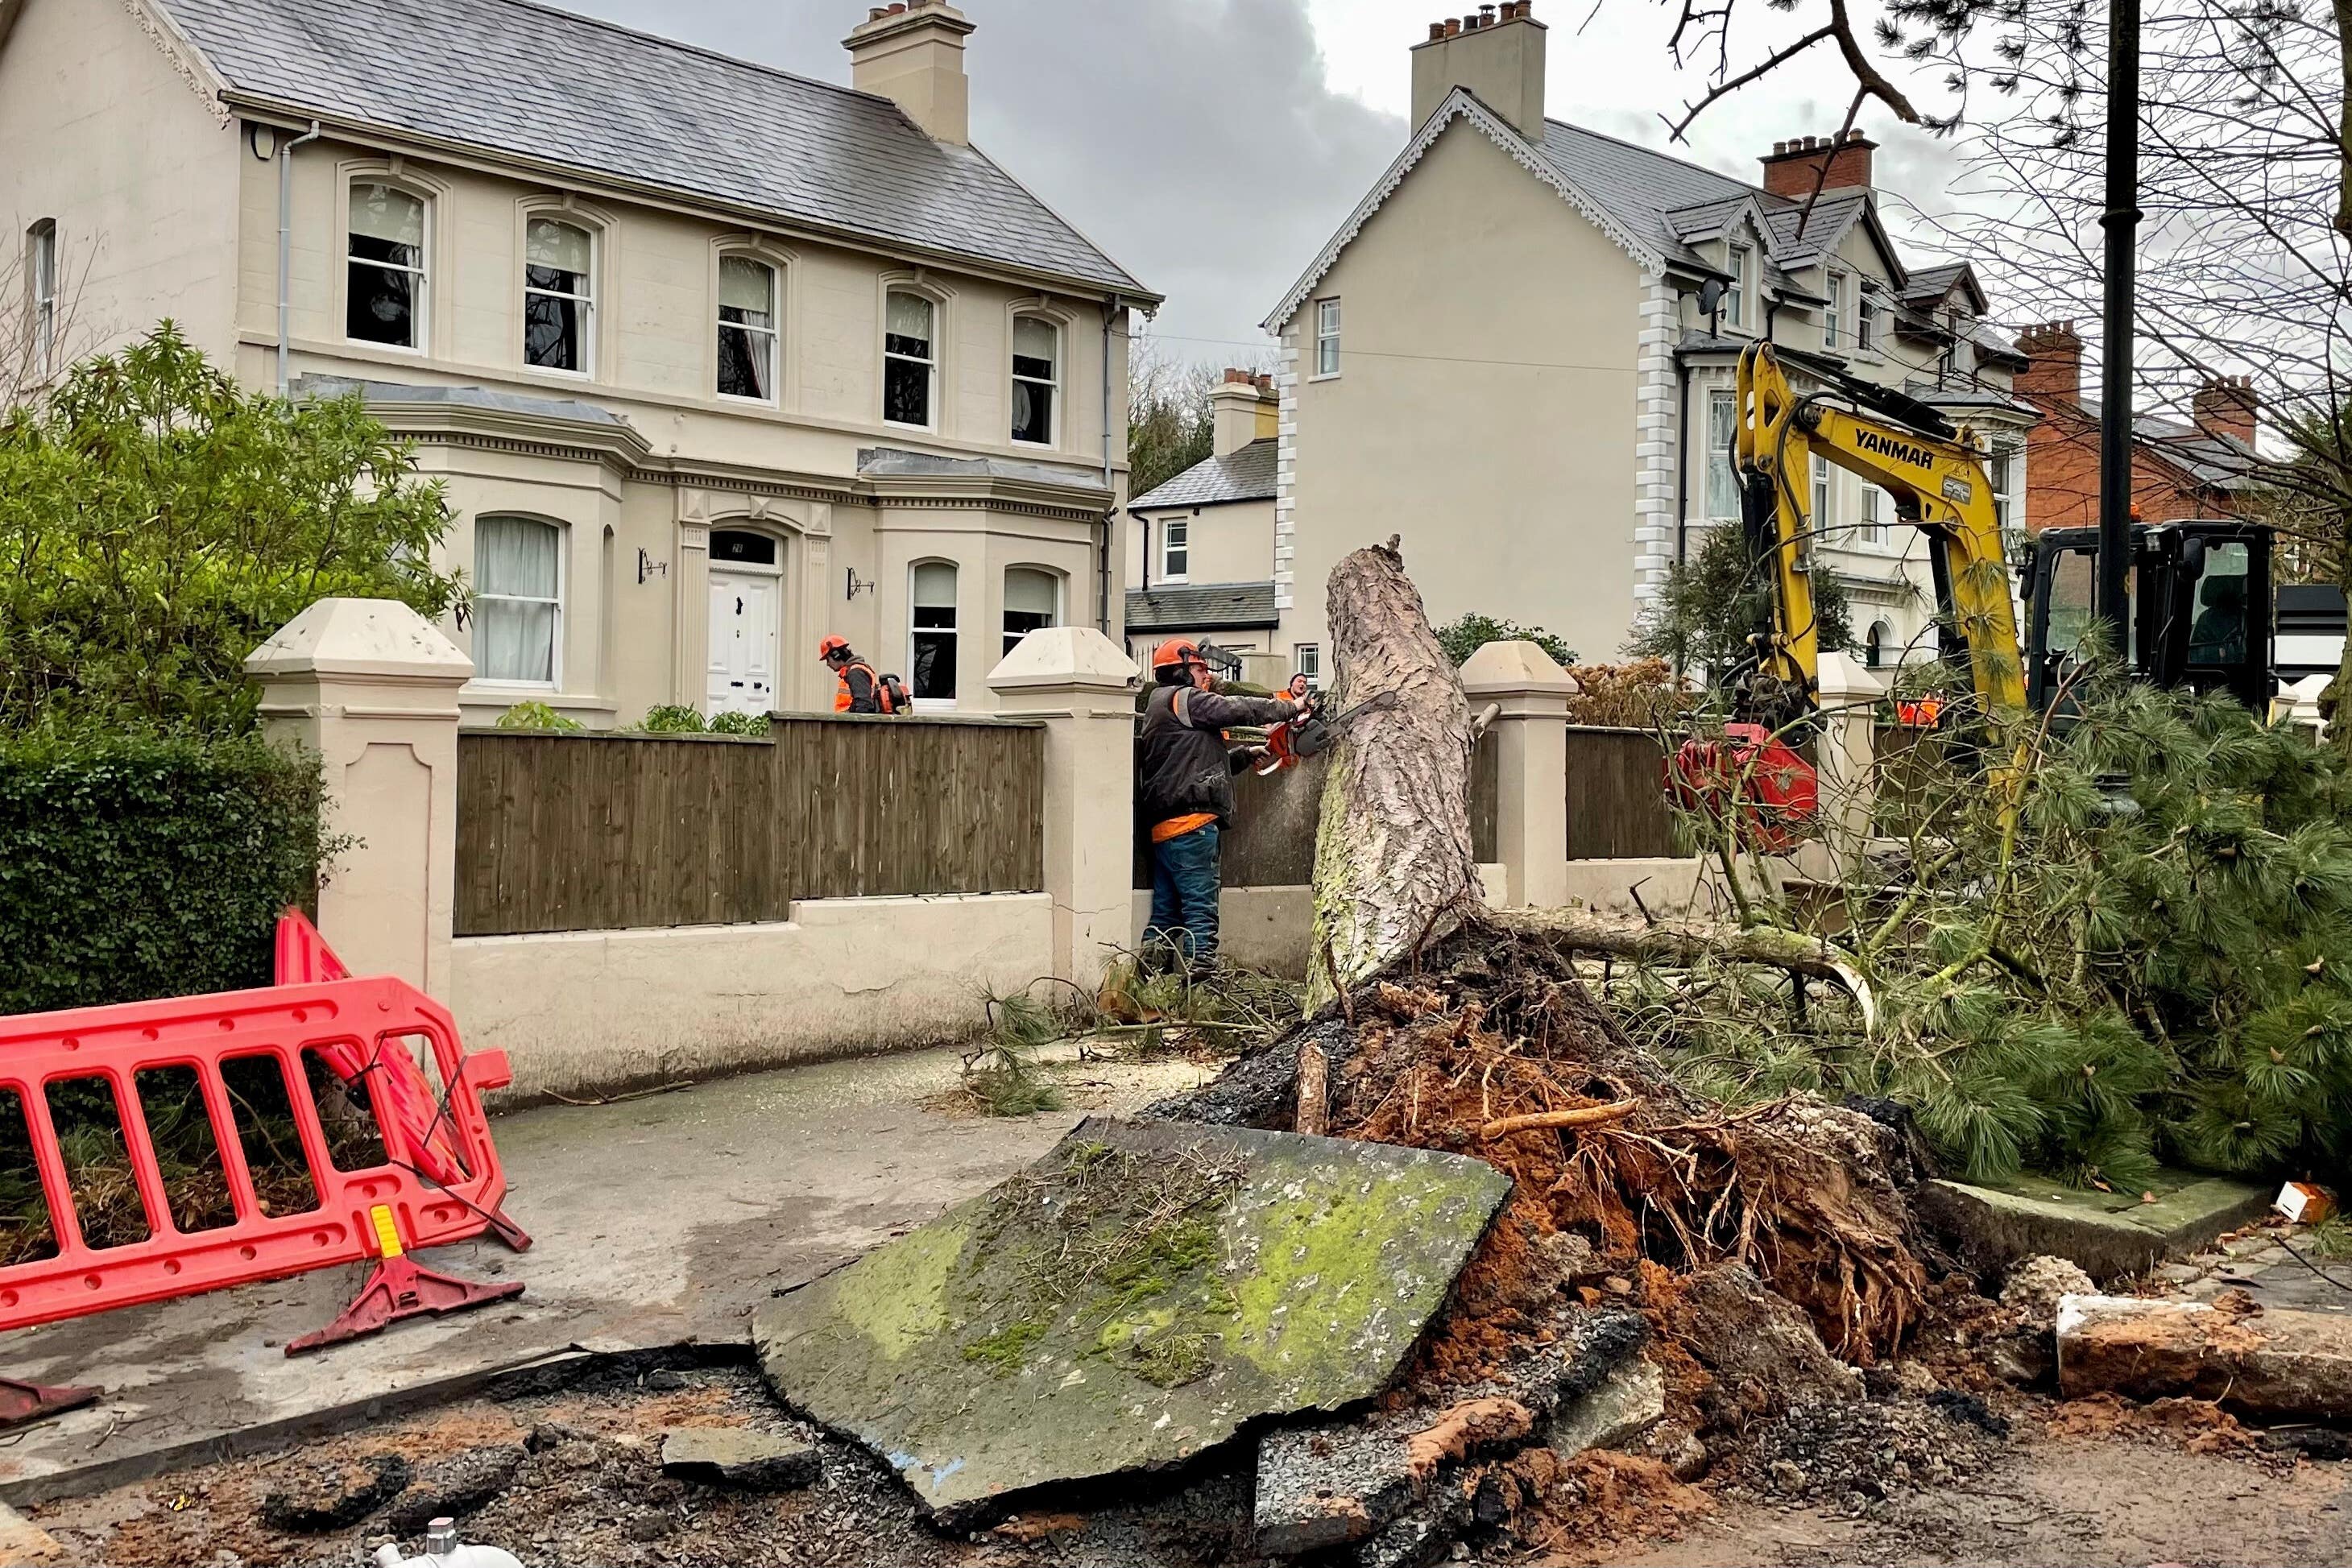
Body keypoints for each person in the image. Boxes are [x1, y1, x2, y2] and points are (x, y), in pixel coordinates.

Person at [1138, 639, 1308, 970]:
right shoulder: (1184, 698)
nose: (1206, 676)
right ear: (1181, 670)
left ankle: (1146, 985)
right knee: (1201, 911)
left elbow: (1190, 768)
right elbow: (1236, 708)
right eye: (1200, 669)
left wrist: (1244, 756)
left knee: (1166, 913)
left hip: (1166, 828)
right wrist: (1289, 707)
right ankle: (1196, 990)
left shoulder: (1159, 706)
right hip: (1193, 827)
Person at [820, 635, 889, 714]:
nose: (828, 664)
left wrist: (855, 724)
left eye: (828, 659)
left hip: (852, 723)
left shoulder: (856, 673)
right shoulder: (852, 672)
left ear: (836, 655)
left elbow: (863, 705)